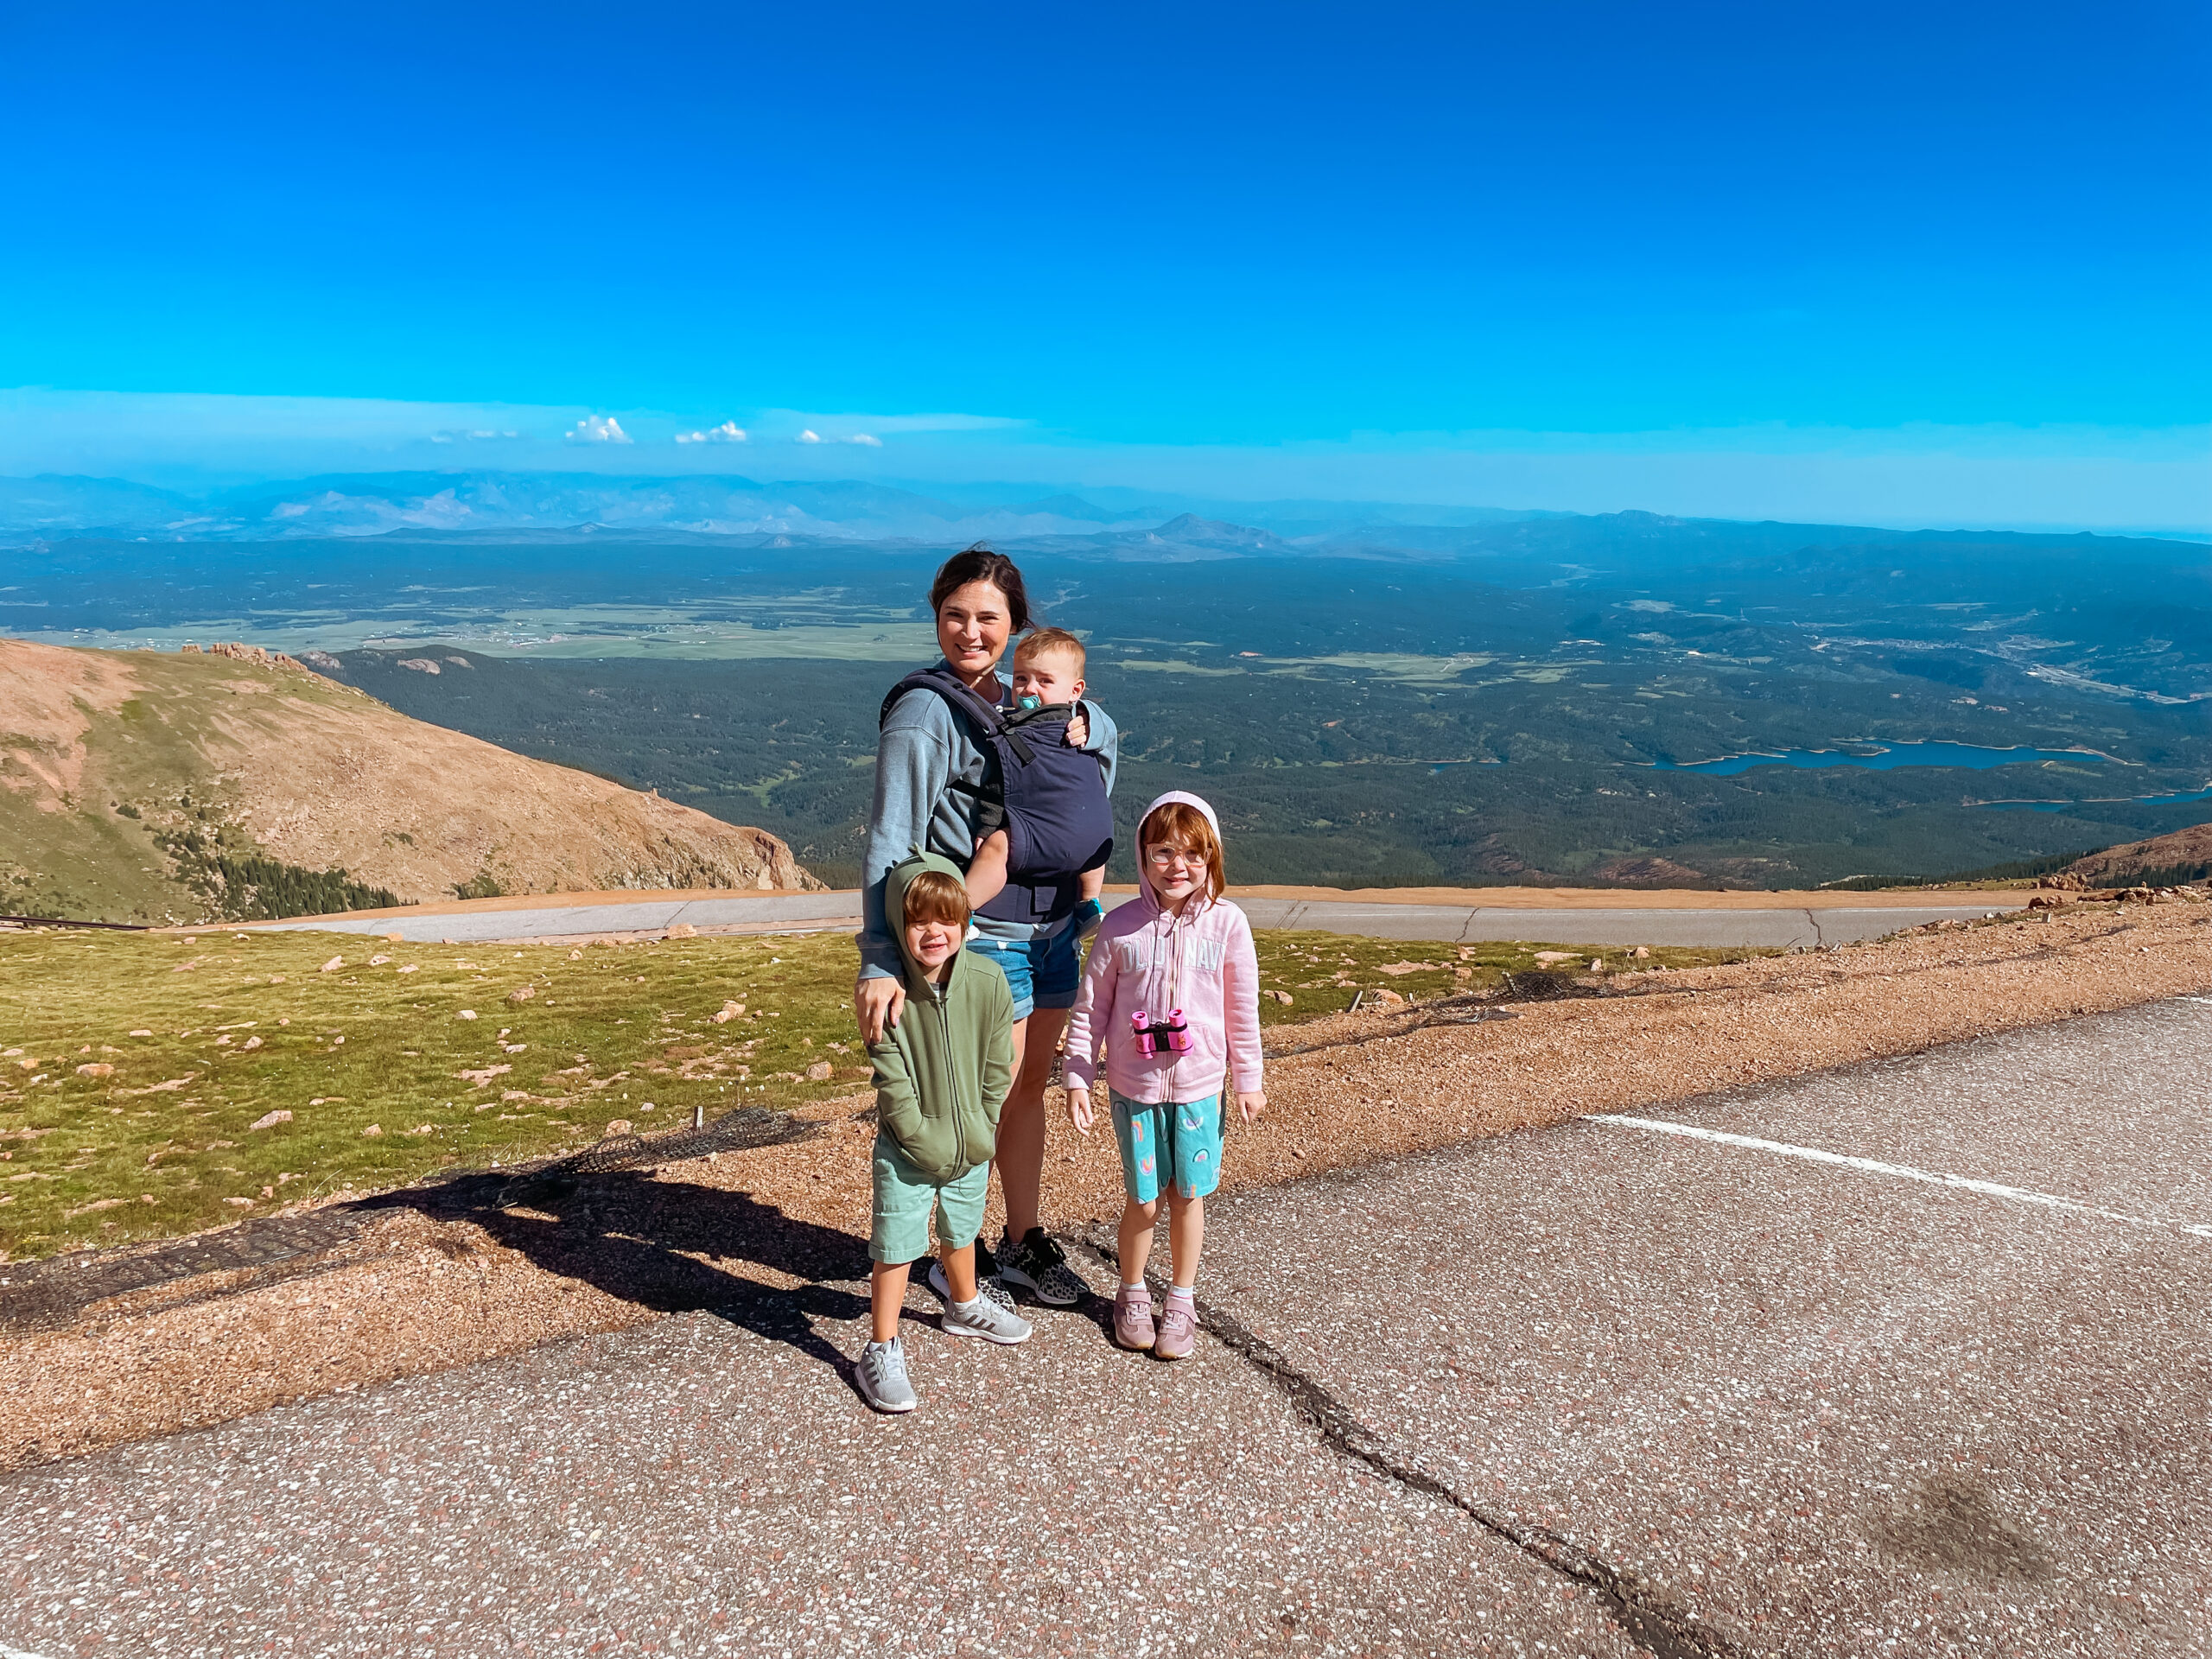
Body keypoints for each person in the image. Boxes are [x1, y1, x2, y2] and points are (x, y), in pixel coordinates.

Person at [854, 546, 1116, 1308]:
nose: (970, 632)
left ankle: (1019, 1242)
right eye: (954, 616)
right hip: (985, 937)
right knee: (979, 1098)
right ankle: (954, 1261)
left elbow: (1093, 764)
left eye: (988, 619)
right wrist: (880, 956)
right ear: (936, 617)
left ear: (1015, 626)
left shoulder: (1023, 699)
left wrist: (1089, 721)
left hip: (1054, 927)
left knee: (1027, 1087)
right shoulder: (925, 713)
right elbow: (891, 837)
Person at [1060, 791, 1266, 1360]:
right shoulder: (1121, 928)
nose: (1178, 866)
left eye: (1192, 854)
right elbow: (1092, 1008)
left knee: (1187, 1197)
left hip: (1200, 1089)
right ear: (1143, 857)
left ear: (1212, 857)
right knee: (1145, 1201)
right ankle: (1130, 1294)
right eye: (1162, 853)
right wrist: (1079, 1074)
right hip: (1135, 1091)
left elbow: (1240, 1010)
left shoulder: (1228, 925)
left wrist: (1248, 1077)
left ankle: (1180, 1300)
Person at [855, 852, 1033, 1414]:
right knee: (897, 1245)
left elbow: (998, 1062)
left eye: (946, 919)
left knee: (962, 1229)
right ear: (898, 926)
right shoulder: (887, 995)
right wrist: (919, 1137)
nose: (934, 932)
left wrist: (985, 1124)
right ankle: (880, 1347)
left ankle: (964, 1302)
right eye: (918, 921)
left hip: (972, 1142)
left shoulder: (988, 981)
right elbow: (891, 1080)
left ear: (964, 920)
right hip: (908, 1151)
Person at [959, 627, 1110, 917]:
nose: (1029, 689)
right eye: (1020, 678)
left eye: (1044, 681)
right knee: (1089, 844)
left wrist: (989, 826)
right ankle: (1089, 903)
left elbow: (1000, 783)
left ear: (1075, 690)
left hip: (1045, 829)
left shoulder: (1017, 731)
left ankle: (962, 910)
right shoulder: (1083, 727)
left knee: (996, 849)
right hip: (1094, 838)